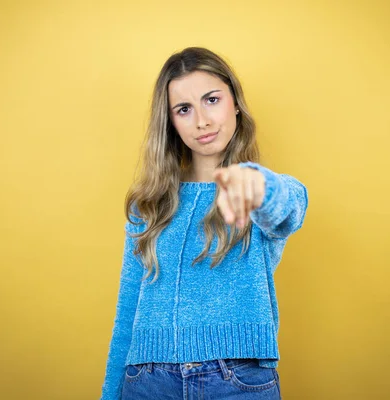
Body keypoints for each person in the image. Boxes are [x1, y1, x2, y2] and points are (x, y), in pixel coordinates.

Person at [100, 46, 308, 399]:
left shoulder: (257, 193)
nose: (202, 121)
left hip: (236, 381)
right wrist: (110, 393)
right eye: (184, 109)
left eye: (212, 100)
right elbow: (128, 311)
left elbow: (290, 206)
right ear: (171, 123)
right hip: (147, 382)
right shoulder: (148, 203)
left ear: (236, 102)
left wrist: (257, 184)